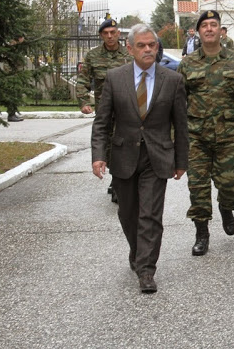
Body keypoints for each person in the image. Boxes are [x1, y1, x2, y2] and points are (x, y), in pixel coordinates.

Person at [91, 24, 188, 294]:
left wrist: (181, 161)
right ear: (130, 48)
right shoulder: (114, 78)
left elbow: (181, 124)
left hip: (157, 157)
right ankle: (136, 252)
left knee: (150, 215)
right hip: (123, 155)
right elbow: (102, 122)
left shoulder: (173, 80)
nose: (148, 49)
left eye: (152, 45)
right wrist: (98, 156)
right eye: (142, 45)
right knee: (128, 213)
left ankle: (146, 270)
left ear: (157, 48)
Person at [177, 10, 234, 256]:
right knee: (198, 187)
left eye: (214, 24)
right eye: (205, 25)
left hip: (226, 136)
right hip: (196, 137)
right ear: (198, 31)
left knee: (230, 184)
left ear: (221, 30)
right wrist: (175, 135)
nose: (210, 29)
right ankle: (202, 233)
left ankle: (226, 206)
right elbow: (177, 101)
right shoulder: (187, 63)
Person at [77, 18, 131, 201]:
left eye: (112, 33)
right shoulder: (92, 56)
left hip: (127, 111)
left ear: (118, 34)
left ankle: (118, 182)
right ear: (101, 35)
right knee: (108, 146)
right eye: (105, 33)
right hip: (105, 111)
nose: (109, 36)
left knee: (123, 146)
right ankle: (116, 178)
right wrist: (84, 101)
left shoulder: (129, 55)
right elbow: (83, 80)